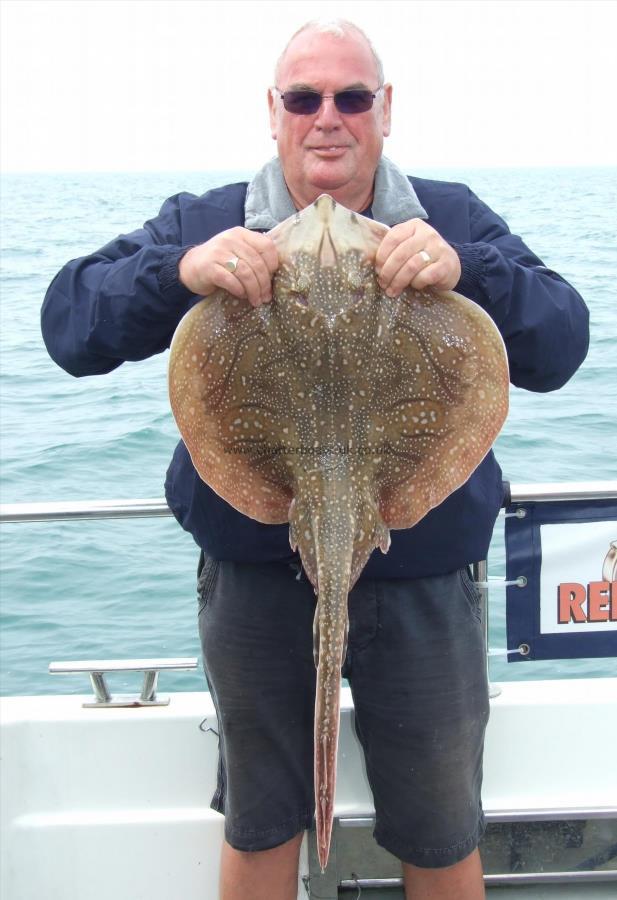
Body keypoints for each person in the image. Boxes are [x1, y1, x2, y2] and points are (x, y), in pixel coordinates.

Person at [41, 19, 589, 900]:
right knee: (263, 822)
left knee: (441, 828)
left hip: (423, 580)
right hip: (256, 575)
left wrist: (469, 269)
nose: (326, 117)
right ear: (274, 112)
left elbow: (563, 344)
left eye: (350, 97)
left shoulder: (449, 217)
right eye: (304, 97)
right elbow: (67, 324)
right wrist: (180, 271)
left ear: (384, 110)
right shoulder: (206, 220)